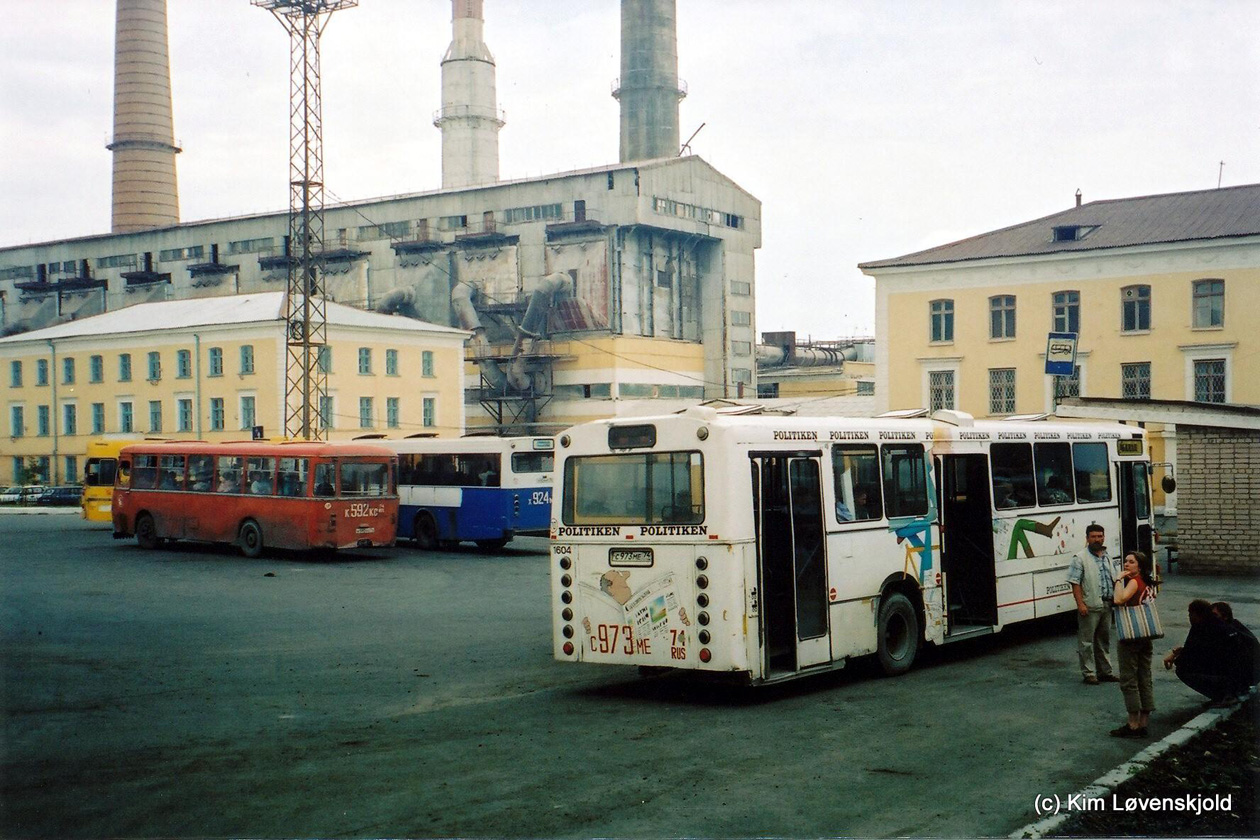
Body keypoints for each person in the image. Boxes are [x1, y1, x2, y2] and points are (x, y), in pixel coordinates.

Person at [1110, 550, 1157, 737]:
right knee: (1144, 676)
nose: (1126, 564)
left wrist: (1118, 580)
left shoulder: (1134, 582)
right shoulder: (1148, 583)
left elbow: (1119, 599)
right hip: (1146, 634)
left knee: (1129, 679)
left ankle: (1133, 724)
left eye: (1131, 562)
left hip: (1131, 636)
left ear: (1139, 566)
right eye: (1126, 561)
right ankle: (1144, 721)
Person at [1066, 523, 1119, 685]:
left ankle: (1105, 672)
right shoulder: (1080, 558)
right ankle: (1089, 673)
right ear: (1087, 538)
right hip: (1090, 606)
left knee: (1104, 640)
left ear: (1103, 537)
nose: (1097, 539)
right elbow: (1075, 583)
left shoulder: (1107, 556)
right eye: (1093, 536)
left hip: (1107, 605)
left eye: (1100, 536)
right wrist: (1080, 604)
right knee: (1086, 642)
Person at [1163, 599, 1234, 704]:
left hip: (1230, 677)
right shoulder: (1219, 624)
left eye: (1190, 614)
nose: (1189, 617)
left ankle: (1221, 695)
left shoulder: (1201, 627)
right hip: (1239, 674)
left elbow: (1188, 658)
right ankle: (1223, 694)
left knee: (1182, 670)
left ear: (1195, 614)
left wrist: (1177, 657)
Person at [1211, 602, 1260, 696]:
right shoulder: (1235, 626)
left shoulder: (1229, 630)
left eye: (1214, 615)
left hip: (1248, 674)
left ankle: (1230, 695)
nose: (1211, 619)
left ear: (1225, 617)